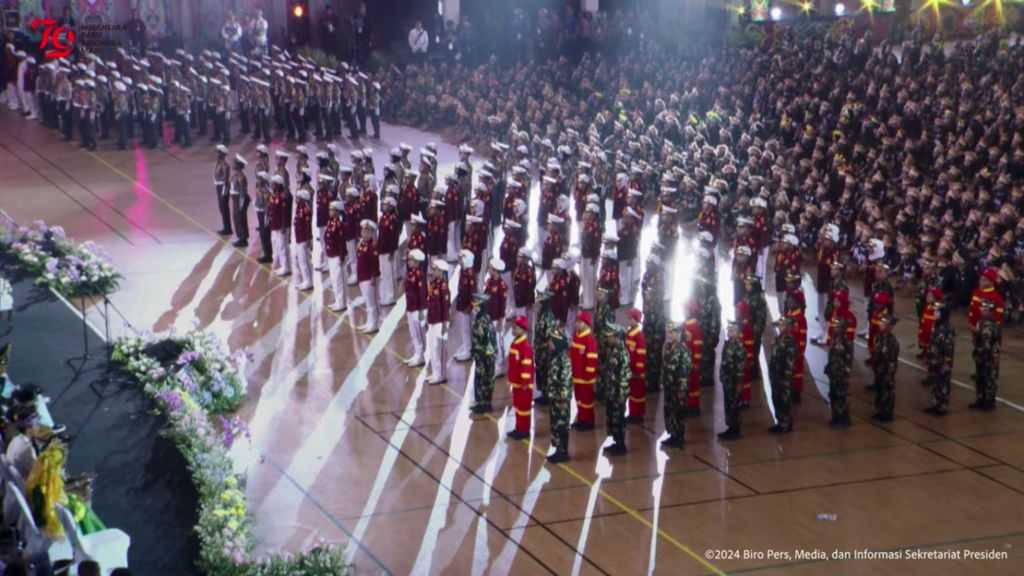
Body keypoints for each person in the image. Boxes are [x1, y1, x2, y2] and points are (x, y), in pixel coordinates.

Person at [660, 322, 690, 448]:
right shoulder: (667, 347)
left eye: (673, 332)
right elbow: (664, 365)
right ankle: (672, 433)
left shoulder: (683, 350)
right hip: (669, 385)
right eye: (669, 332)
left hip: (678, 387)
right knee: (669, 410)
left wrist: (682, 388)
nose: (670, 334)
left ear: (679, 333)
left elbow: (684, 370)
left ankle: (679, 436)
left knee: (678, 412)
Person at [602, 324, 630, 455]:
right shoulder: (612, 350)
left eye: (610, 336)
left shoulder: (622, 352)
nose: (607, 339)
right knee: (612, 417)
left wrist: (621, 393)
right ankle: (615, 441)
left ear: (616, 337)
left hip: (618, 393)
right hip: (611, 391)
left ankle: (621, 444)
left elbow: (624, 375)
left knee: (618, 417)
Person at [924, 299, 955, 416]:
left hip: (942, 362)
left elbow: (948, 348)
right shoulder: (936, 326)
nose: (934, 313)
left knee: (943, 384)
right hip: (934, 360)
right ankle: (935, 403)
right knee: (935, 384)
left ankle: (942, 406)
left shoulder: (947, 329)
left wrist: (947, 363)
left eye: (937, 312)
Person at [546, 327, 572, 463]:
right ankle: (557, 449)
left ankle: (563, 452)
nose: (548, 343)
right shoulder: (554, 357)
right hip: (554, 398)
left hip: (561, 401)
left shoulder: (563, 360)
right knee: (555, 424)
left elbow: (565, 382)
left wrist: (563, 400)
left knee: (562, 425)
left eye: (551, 341)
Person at [507, 316, 534, 440]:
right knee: (518, 406)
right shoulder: (516, 343)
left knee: (524, 408)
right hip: (516, 383)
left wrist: (525, 382)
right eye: (512, 328)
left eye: (515, 328)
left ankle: (524, 430)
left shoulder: (525, 346)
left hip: (523, 385)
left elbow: (527, 366)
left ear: (523, 330)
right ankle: (519, 427)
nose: (513, 330)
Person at [768, 317, 797, 434]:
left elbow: (790, 361)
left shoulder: (790, 343)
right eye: (780, 325)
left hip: (784, 377)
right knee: (776, 399)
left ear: (789, 327)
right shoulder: (777, 339)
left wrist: (787, 378)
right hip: (776, 375)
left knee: (784, 400)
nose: (781, 327)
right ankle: (780, 422)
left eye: (784, 325)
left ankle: (785, 423)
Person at [570, 311, 598, 429]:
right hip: (577, 376)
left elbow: (591, 359)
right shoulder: (576, 336)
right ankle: (581, 418)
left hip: (585, 378)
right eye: (577, 322)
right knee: (579, 399)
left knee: (586, 401)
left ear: (587, 324)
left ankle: (588, 421)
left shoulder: (590, 340)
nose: (577, 324)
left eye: (580, 322)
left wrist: (589, 376)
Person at [971, 300, 1001, 411]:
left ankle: (989, 402)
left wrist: (993, 358)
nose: (981, 310)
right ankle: (980, 400)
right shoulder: (982, 323)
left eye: (984, 309)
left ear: (990, 311)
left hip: (989, 358)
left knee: (989, 381)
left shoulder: (992, 325)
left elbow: (995, 345)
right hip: (981, 356)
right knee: (980, 379)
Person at [470, 293, 497, 413]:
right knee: (479, 378)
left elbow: (489, 341)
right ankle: (480, 402)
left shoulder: (485, 320)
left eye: (476, 305)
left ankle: (485, 403)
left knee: (485, 379)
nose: (474, 307)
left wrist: (487, 357)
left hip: (485, 357)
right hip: (480, 355)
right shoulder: (480, 318)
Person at [718, 321, 744, 440]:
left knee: (734, 405)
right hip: (727, 380)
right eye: (728, 330)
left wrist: (739, 382)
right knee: (728, 404)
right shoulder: (728, 344)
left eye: (732, 331)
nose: (729, 333)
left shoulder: (738, 346)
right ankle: (730, 427)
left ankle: (735, 429)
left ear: (738, 333)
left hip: (734, 381)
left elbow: (740, 365)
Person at [826, 317, 853, 429]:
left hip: (841, 374)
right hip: (834, 373)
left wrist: (846, 374)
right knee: (834, 395)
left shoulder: (847, 342)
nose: (835, 328)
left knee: (842, 396)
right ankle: (836, 416)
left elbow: (849, 360)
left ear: (843, 328)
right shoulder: (834, 340)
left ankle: (844, 419)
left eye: (837, 327)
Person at [426, 260, 450, 384]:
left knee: (439, 349)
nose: (433, 271)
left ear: (441, 272)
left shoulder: (443, 287)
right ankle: (435, 373)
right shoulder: (432, 284)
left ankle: (441, 375)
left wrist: (445, 324)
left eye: (435, 269)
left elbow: (446, 306)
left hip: (440, 321)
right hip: (432, 319)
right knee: (432, 348)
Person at [872, 315, 900, 422]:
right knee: (880, 391)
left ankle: (887, 413)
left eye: (883, 324)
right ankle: (880, 411)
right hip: (879, 369)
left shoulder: (892, 343)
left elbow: (892, 360)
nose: (880, 325)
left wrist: (890, 373)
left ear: (889, 326)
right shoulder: (879, 338)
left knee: (887, 393)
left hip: (887, 372)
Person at [356, 220, 381, 333]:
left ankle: (374, 323)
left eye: (367, 231)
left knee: (372, 302)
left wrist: (373, 276)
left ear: (371, 233)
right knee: (367, 302)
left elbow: (374, 263)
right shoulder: (362, 243)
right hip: (362, 276)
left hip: (369, 277)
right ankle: (369, 322)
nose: (364, 233)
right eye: (363, 231)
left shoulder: (372, 246)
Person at [404, 249, 427, 366]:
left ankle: (421, 355)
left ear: (417, 262)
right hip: (410, 306)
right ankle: (417, 353)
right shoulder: (411, 273)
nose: (408, 261)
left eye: (411, 259)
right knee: (413, 333)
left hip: (417, 309)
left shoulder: (419, 275)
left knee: (419, 332)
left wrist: (422, 310)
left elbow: (422, 293)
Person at [324, 201, 347, 312]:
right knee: (333, 279)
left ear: (338, 212)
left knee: (339, 280)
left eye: (332, 210)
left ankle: (342, 303)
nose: (330, 211)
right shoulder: (331, 222)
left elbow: (342, 242)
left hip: (337, 255)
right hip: (331, 254)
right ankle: (338, 301)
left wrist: (342, 257)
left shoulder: (339, 225)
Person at [624, 309, 647, 424]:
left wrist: (638, 371)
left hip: (637, 372)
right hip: (629, 371)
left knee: (638, 393)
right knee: (632, 393)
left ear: (637, 321)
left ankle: (638, 414)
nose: (628, 321)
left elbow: (641, 355)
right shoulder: (629, 334)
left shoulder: (639, 336)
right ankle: (633, 413)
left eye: (631, 319)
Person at [230, 154, 250, 248]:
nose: (232, 165)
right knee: (236, 218)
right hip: (235, 198)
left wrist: (241, 205)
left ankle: (243, 239)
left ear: (239, 165)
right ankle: (240, 237)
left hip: (240, 199)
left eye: (234, 163)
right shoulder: (236, 174)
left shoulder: (241, 176)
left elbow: (242, 192)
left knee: (240, 218)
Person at [213, 145, 232, 236]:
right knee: (221, 207)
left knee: (224, 207)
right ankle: (225, 226)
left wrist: (224, 190)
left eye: (218, 152)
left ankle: (227, 228)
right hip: (218, 185)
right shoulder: (218, 162)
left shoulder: (225, 164)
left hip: (223, 187)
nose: (216, 154)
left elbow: (226, 178)